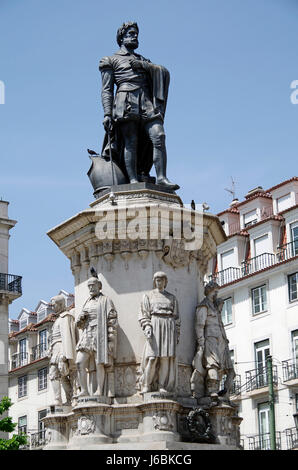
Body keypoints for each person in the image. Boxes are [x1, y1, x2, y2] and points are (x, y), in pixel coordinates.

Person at [99, 22, 179, 190]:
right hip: (125, 100)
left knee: (159, 135)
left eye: (136, 34)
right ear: (121, 36)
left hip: (146, 101)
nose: (135, 36)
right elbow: (107, 90)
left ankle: (162, 177)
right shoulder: (110, 60)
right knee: (131, 142)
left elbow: (161, 72)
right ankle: (133, 180)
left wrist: (145, 66)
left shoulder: (143, 60)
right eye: (131, 33)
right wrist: (107, 113)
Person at [190, 281, 235, 400]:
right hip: (210, 338)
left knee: (224, 367)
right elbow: (200, 324)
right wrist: (201, 340)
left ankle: (224, 393)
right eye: (215, 291)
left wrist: (224, 339)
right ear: (210, 291)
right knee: (212, 364)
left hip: (220, 339)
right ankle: (212, 391)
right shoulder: (204, 305)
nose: (216, 293)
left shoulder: (214, 306)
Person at [75, 272, 118, 397]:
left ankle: (99, 390)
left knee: (100, 363)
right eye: (89, 286)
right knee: (79, 362)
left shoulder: (106, 301)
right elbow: (79, 324)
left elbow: (112, 320)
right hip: (87, 334)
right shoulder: (87, 302)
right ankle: (84, 390)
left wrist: (111, 340)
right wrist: (81, 319)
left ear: (99, 286)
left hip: (100, 334)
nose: (91, 288)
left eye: (93, 285)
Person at [138, 271, 180, 394]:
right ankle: (146, 384)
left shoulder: (172, 298)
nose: (159, 282)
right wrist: (147, 327)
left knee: (165, 359)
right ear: (154, 281)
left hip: (168, 325)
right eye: (157, 280)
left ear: (165, 282)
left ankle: (162, 385)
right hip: (155, 324)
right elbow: (144, 313)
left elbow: (177, 317)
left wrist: (177, 332)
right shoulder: (148, 296)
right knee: (152, 358)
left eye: (161, 280)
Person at [48, 295, 77, 406]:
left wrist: (64, 354)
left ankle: (69, 397)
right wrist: (50, 349)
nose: (52, 307)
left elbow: (67, 337)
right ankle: (59, 399)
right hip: (55, 349)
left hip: (61, 349)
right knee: (56, 374)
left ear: (60, 304)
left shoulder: (66, 317)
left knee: (62, 373)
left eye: (54, 304)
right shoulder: (59, 319)